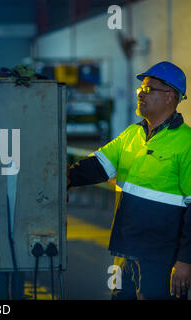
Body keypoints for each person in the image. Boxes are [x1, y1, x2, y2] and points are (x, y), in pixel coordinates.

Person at [67, 61, 191, 300]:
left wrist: (185, 261)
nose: (141, 95)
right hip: (124, 251)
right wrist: (65, 178)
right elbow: (98, 166)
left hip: (160, 257)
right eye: (140, 90)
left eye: (148, 89)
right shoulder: (132, 134)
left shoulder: (186, 143)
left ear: (170, 96)